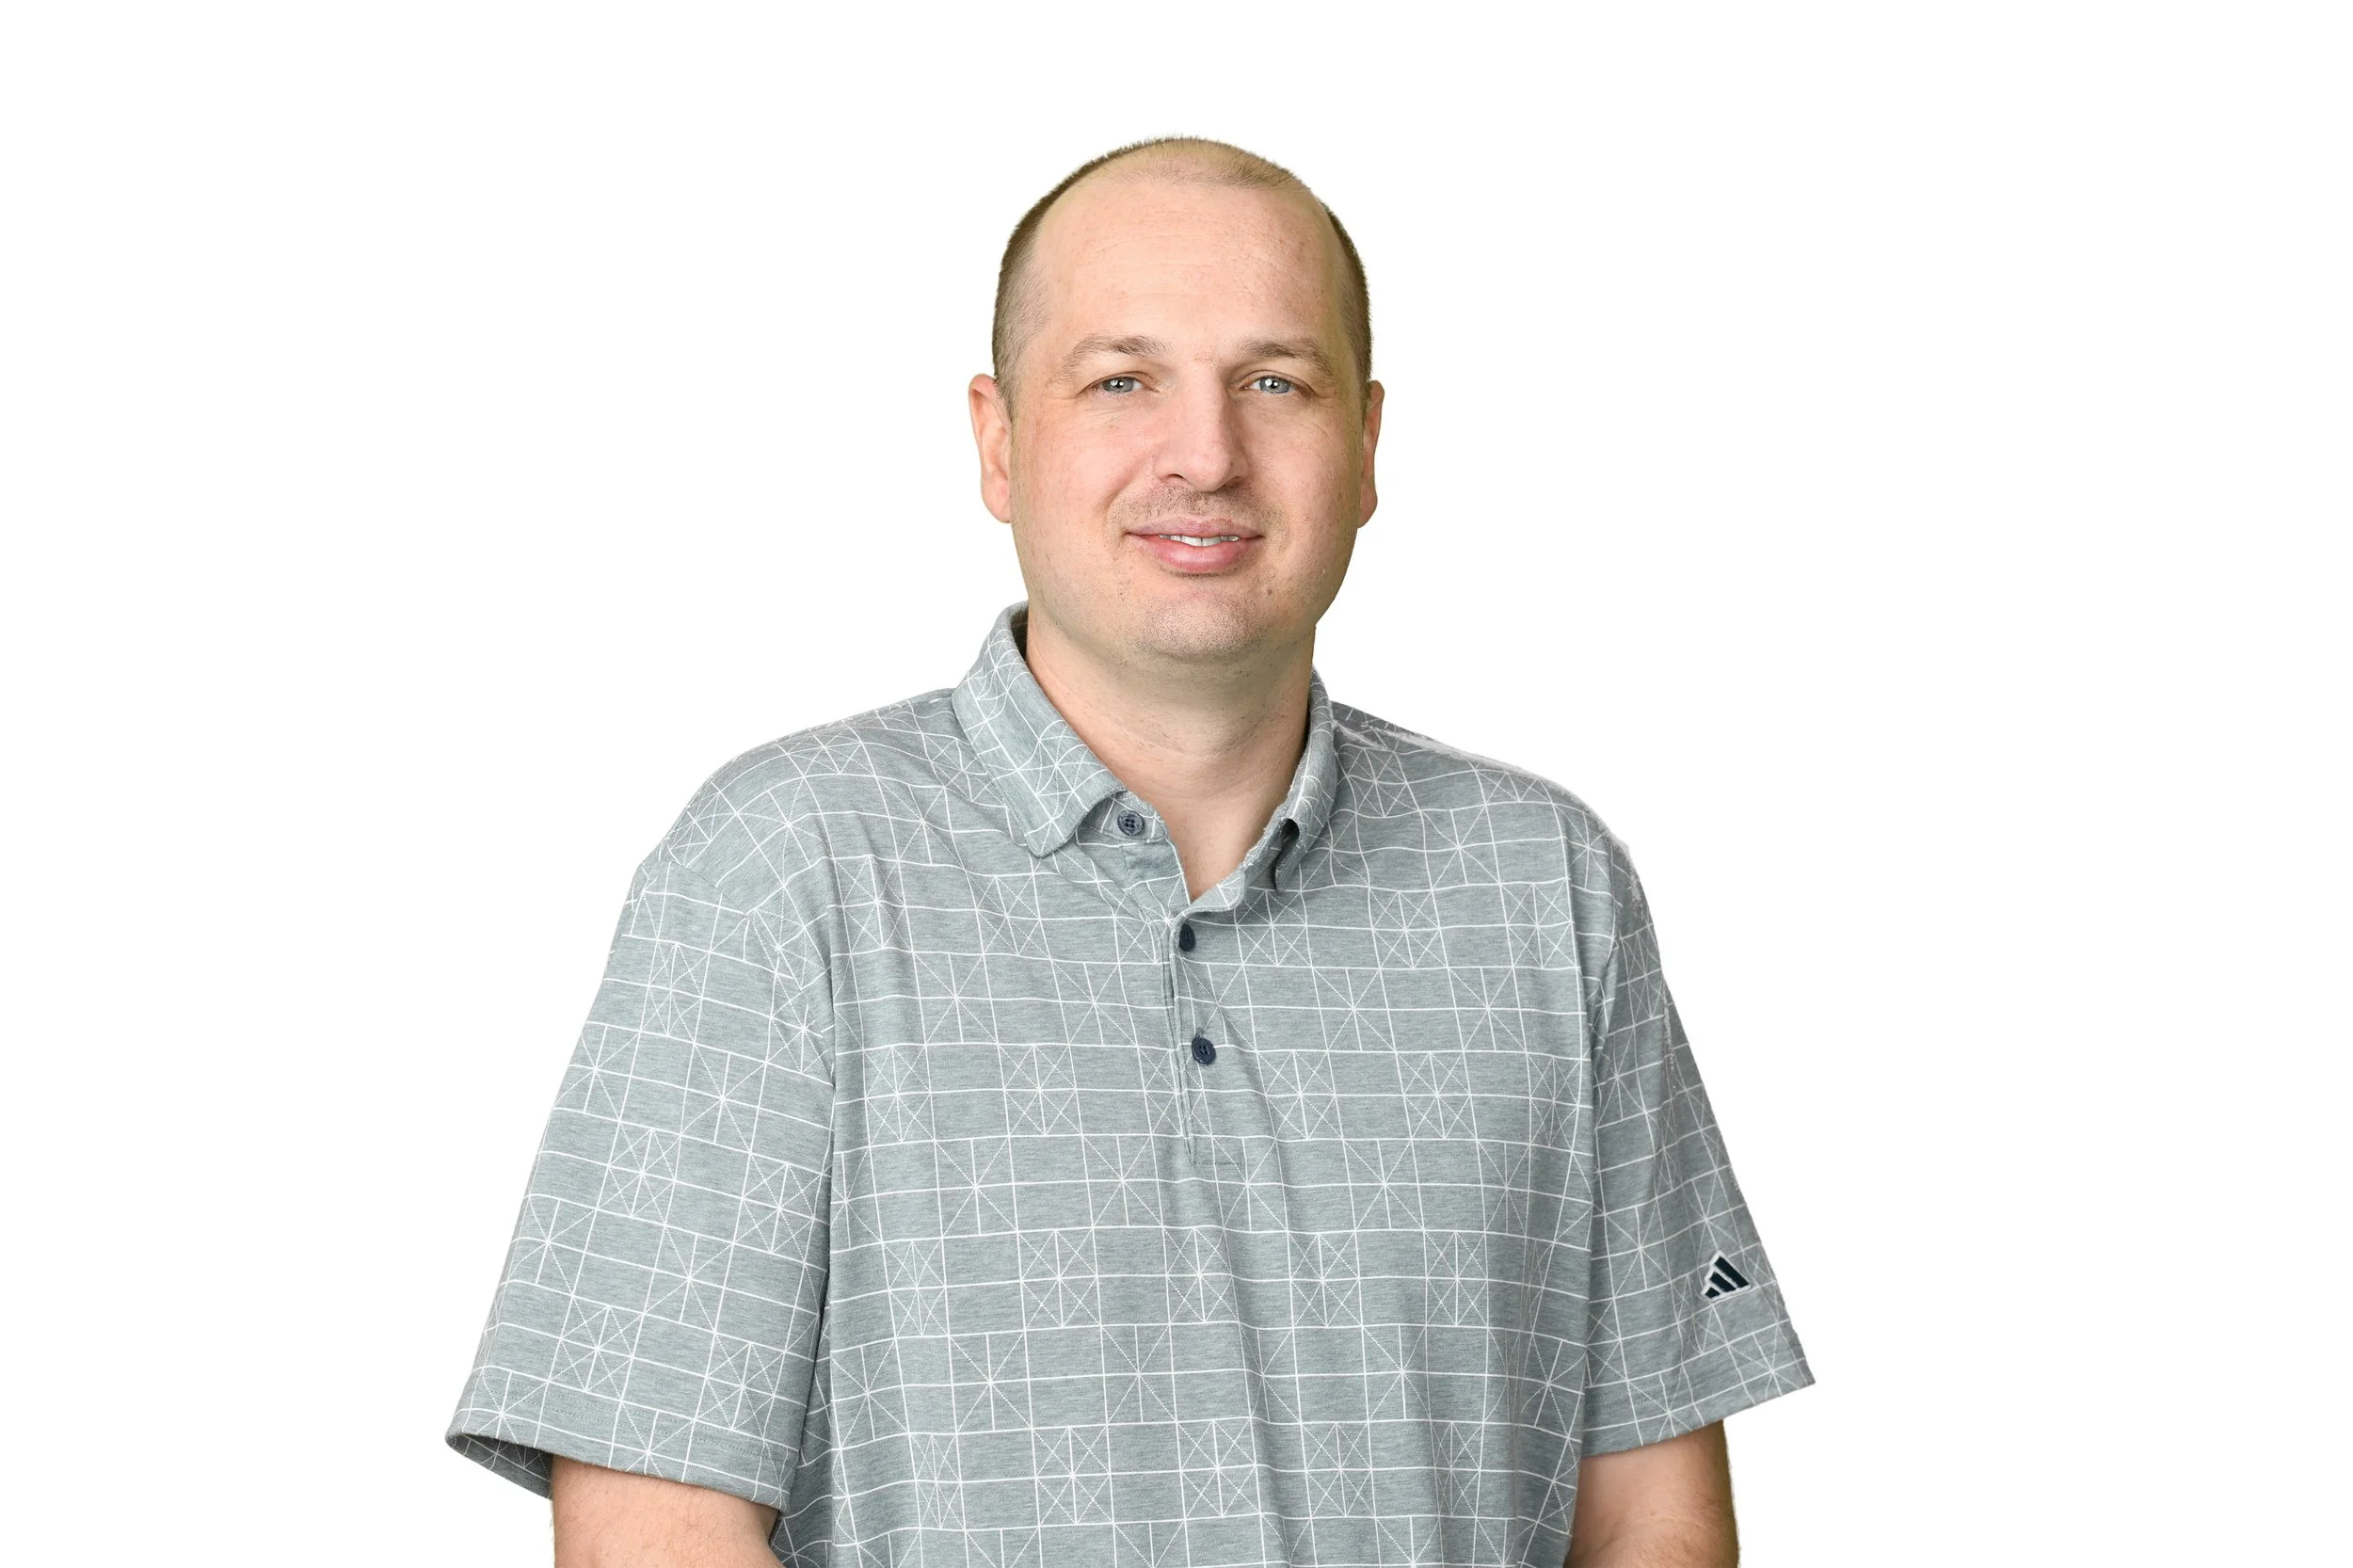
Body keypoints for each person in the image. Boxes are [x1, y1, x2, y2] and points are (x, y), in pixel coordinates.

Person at [447, 136, 1812, 1568]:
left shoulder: (1544, 889)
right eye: (1121, 381)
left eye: (1274, 382)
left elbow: (1651, 1519)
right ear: (998, 441)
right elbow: (653, 1532)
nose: (1206, 456)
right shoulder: (783, 873)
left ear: (1366, 445)